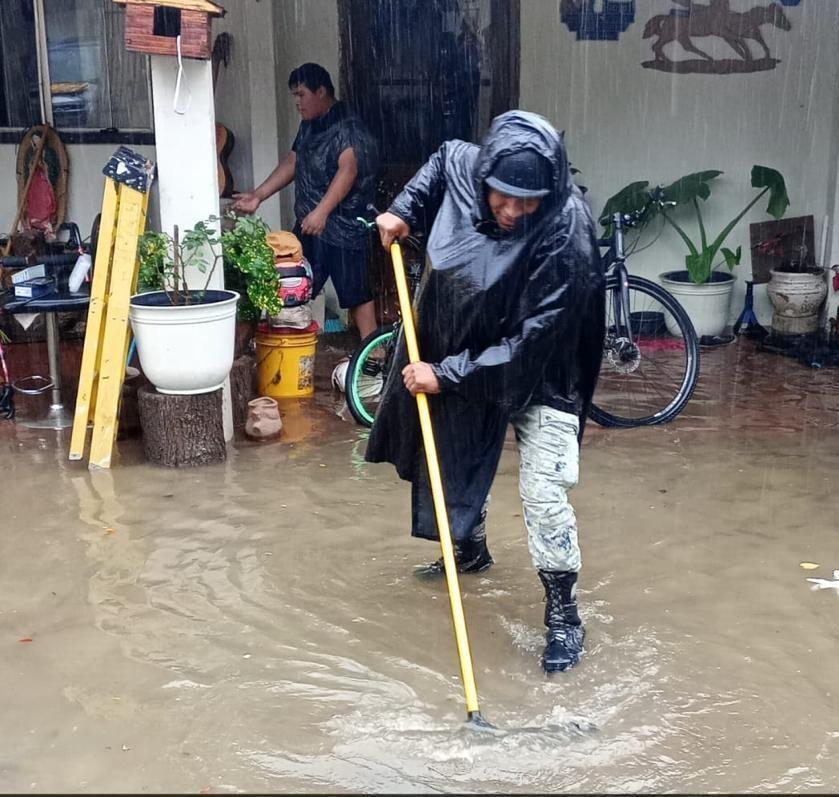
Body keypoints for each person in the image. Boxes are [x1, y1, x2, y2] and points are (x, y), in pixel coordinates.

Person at [366, 110, 605, 674]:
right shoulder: (467, 167)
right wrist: (402, 211)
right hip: (465, 346)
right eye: (506, 196)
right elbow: (442, 159)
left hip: (543, 370)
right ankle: (469, 551)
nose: (515, 210)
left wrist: (445, 375)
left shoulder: (566, 232)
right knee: (453, 447)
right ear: (488, 174)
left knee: (545, 497)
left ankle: (564, 614)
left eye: (530, 201)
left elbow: (531, 343)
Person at [232, 63, 379, 340]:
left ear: (321, 91)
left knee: (357, 294)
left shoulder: (348, 126)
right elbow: (294, 160)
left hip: (344, 227)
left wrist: (322, 212)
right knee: (289, 280)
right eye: (295, 96)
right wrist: (258, 195)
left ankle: (374, 356)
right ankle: (274, 345)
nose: (297, 103)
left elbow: (349, 169)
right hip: (311, 225)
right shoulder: (309, 125)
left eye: (301, 95)